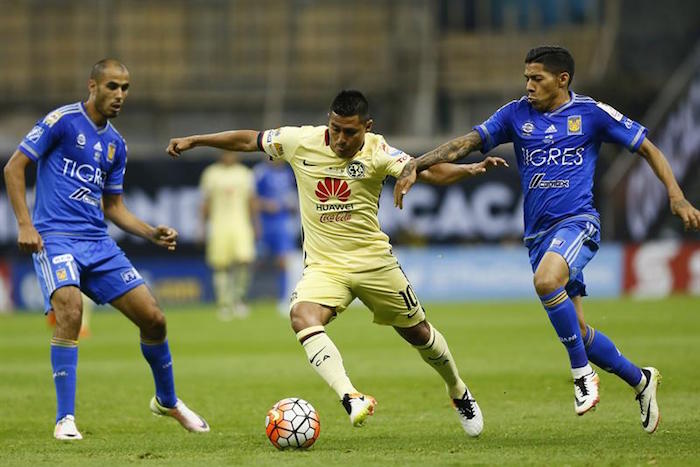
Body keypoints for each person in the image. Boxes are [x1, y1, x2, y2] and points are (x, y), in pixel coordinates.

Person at [394, 46, 700, 434]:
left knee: (545, 282)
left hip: (578, 223)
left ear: (562, 80)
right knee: (580, 332)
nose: (528, 86)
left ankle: (582, 376)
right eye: (526, 78)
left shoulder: (591, 114)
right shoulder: (515, 114)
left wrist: (675, 195)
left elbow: (648, 148)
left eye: (536, 78)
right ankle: (641, 380)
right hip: (538, 235)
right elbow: (465, 143)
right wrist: (414, 165)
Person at [167, 90, 507, 436]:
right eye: (335, 129)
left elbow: (425, 171)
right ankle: (351, 396)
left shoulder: (378, 150)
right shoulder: (300, 141)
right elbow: (248, 140)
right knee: (301, 316)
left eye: (349, 132)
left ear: (367, 127)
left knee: (418, 333)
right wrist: (196, 140)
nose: (340, 139)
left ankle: (458, 390)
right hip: (324, 266)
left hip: (374, 262)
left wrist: (468, 169)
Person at [3, 59, 209, 440]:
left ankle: (168, 400)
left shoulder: (116, 144)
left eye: (125, 88)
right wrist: (24, 223)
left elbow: (113, 207)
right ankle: (65, 418)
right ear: (92, 85)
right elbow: (14, 167)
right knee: (70, 309)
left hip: (98, 243)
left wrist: (150, 233)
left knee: (155, 320)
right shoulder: (62, 121)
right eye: (112, 86)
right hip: (56, 237)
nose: (120, 95)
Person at [199, 151, 258, 320]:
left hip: (241, 224)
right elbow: (205, 202)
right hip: (219, 225)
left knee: (244, 261)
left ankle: (239, 299)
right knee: (220, 265)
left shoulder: (245, 173)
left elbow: (252, 201)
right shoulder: (211, 173)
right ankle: (224, 304)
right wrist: (202, 227)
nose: (229, 156)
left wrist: (256, 224)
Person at [253, 159, 298, 314]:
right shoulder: (260, 172)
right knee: (254, 260)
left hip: (282, 223)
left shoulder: (287, 173)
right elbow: (252, 199)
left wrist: (292, 204)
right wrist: (265, 205)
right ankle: (246, 298)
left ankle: (285, 298)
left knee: (284, 261)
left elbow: (293, 196)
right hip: (264, 223)